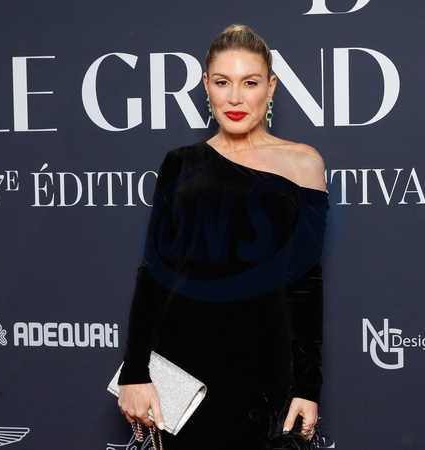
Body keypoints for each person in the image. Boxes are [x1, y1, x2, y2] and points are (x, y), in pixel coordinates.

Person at [117, 24, 329, 450]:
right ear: (205, 86)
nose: (235, 98)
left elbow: (305, 283)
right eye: (222, 82)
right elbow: (154, 273)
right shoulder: (180, 163)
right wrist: (135, 372)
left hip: (264, 366)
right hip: (182, 366)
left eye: (249, 83)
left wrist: (308, 385)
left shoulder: (303, 164)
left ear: (271, 87)